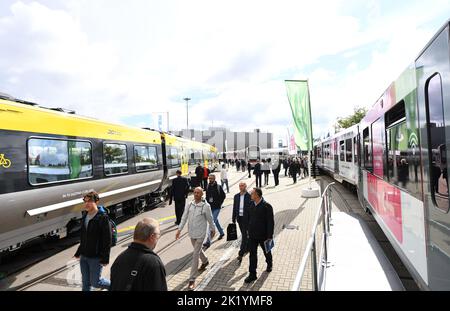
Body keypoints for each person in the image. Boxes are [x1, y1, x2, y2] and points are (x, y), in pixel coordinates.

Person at [110, 218, 167, 291]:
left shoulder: (120, 258)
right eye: (159, 234)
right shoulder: (153, 263)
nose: (159, 237)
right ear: (152, 237)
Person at [176, 187, 215, 290]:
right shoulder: (190, 204)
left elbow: (210, 219)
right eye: (195, 192)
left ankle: (192, 279)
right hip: (192, 233)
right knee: (198, 251)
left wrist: (213, 229)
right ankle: (205, 261)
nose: (196, 194)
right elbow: (184, 217)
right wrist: (179, 229)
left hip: (201, 234)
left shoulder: (206, 206)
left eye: (198, 193)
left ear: (202, 194)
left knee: (195, 255)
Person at [74, 191, 112, 291]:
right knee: (85, 283)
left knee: (96, 282)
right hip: (84, 256)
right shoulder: (85, 215)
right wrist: (78, 252)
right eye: (85, 201)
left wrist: (105, 258)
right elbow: (83, 237)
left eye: (89, 201)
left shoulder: (102, 218)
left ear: (97, 201)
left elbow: (107, 239)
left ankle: (116, 286)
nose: (86, 204)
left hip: (95, 257)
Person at [245, 188, 274, 283]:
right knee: (252, 255)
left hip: (263, 235)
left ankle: (269, 263)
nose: (250, 195)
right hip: (252, 235)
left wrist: (269, 236)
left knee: (267, 252)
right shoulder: (250, 204)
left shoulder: (267, 206)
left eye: (252, 193)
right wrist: (247, 230)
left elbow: (270, 222)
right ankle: (252, 274)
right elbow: (248, 219)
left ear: (257, 195)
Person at [204, 174, 226, 248]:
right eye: (209, 178)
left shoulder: (218, 187)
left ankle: (208, 241)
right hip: (210, 208)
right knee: (215, 221)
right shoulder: (207, 186)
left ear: (214, 179)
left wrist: (219, 203)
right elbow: (207, 197)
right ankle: (221, 232)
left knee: (212, 222)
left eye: (211, 178)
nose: (210, 180)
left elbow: (223, 196)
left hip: (216, 208)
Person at [232, 182, 252, 263]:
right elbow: (234, 207)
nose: (241, 187)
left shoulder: (249, 196)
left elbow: (252, 208)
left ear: (245, 186)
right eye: (240, 186)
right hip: (239, 218)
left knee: (244, 235)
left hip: (247, 218)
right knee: (245, 234)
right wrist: (233, 218)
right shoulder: (236, 196)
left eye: (242, 186)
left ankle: (241, 253)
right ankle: (248, 248)